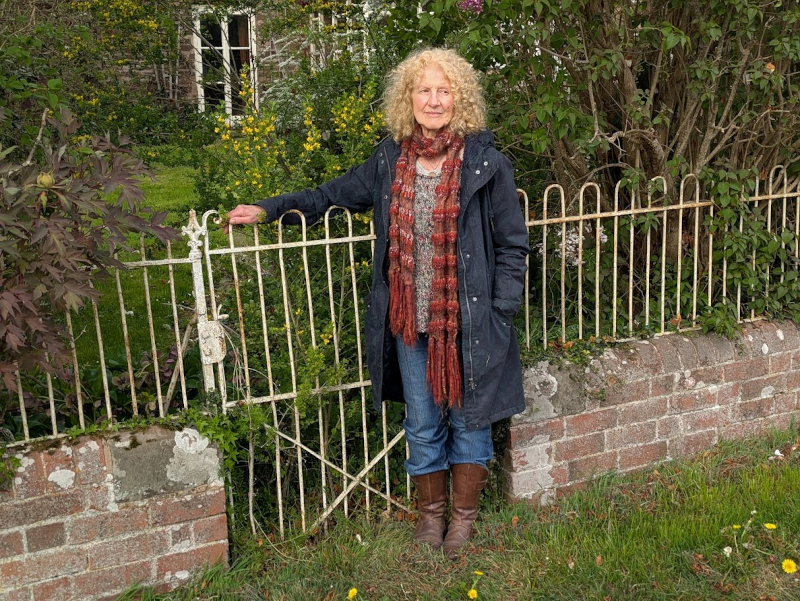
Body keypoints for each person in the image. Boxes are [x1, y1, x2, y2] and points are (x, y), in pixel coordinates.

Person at [226, 47, 529, 559]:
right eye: (424, 90)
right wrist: (270, 208)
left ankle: (462, 522)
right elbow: (330, 194)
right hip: (409, 323)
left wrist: (501, 309)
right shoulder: (390, 160)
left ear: (460, 98)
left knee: (470, 418)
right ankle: (430, 520)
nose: (434, 100)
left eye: (444, 90)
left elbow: (512, 245)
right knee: (422, 420)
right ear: (408, 99)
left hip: (471, 322)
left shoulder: (486, 163)